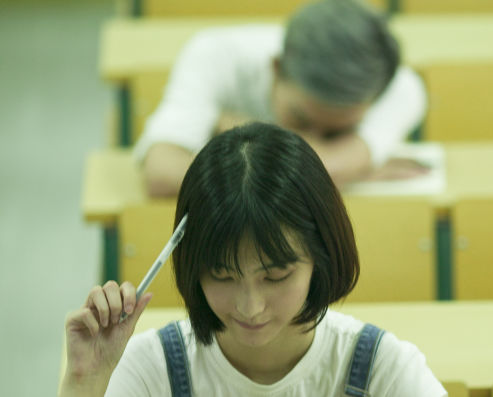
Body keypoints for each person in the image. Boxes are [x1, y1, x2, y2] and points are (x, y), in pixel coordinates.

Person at [60, 123, 446, 397]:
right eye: (222, 275)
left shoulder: (380, 370)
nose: (250, 306)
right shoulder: (153, 370)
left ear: (321, 257)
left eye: (276, 276)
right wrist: (85, 383)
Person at [135, 0, 428, 197]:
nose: (310, 140)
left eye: (336, 133)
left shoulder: (400, 87)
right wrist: (345, 176)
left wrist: (235, 127)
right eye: (300, 119)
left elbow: (330, 167)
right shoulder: (215, 54)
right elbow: (161, 171)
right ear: (276, 68)